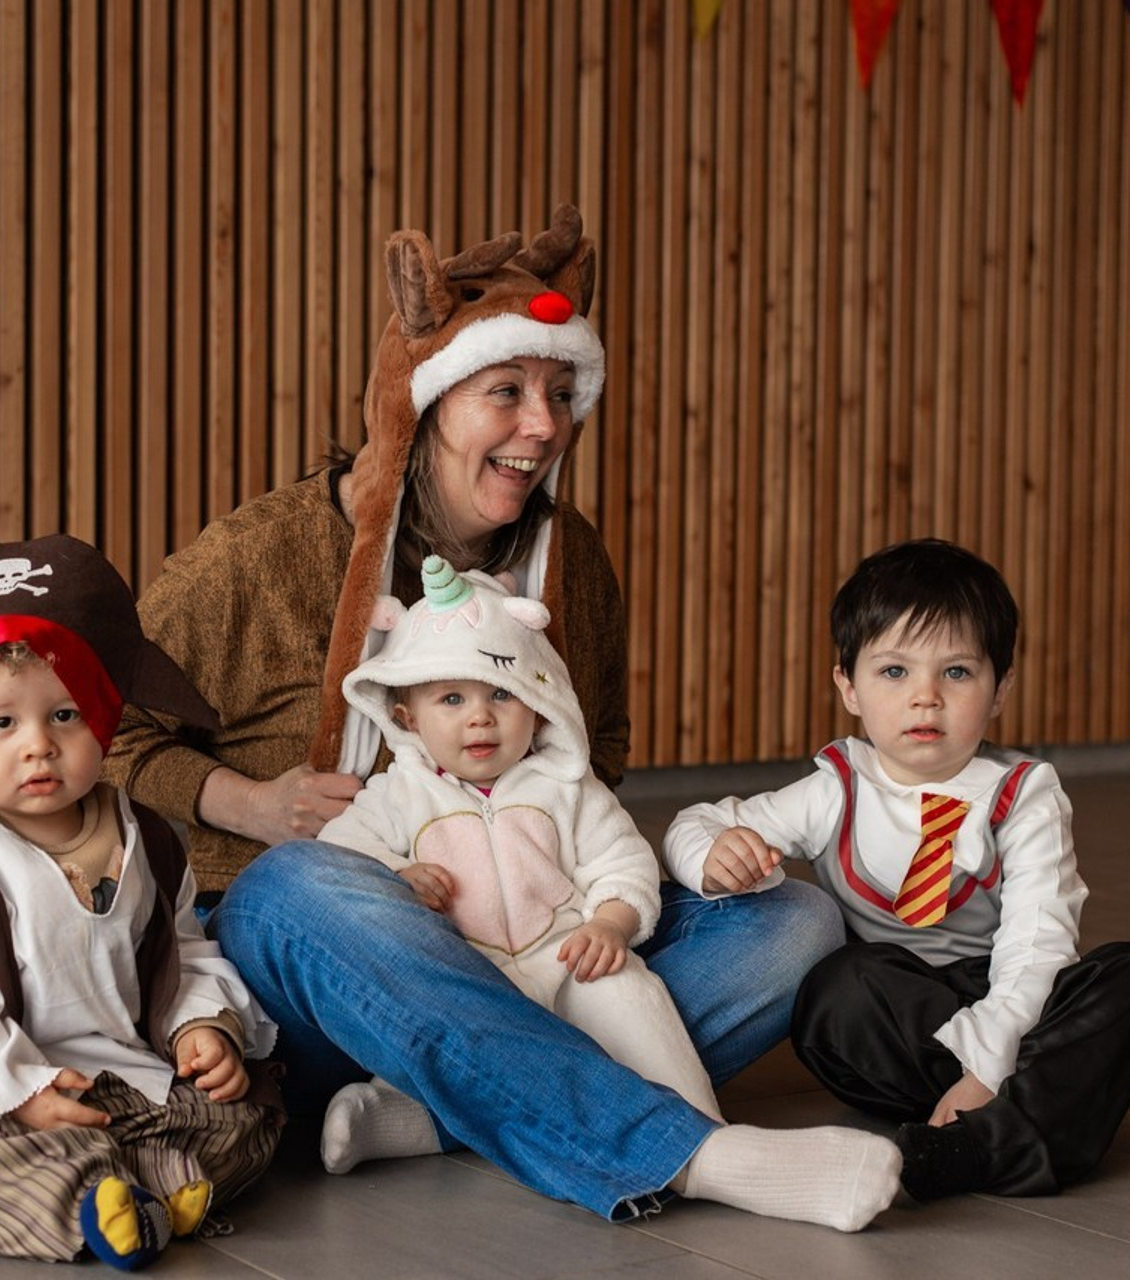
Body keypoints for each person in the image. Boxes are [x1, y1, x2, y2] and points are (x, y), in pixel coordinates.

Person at [107, 205, 898, 1231]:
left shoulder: (574, 563)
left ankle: (444, 1106)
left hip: (537, 932)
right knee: (302, 882)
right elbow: (111, 722)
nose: (544, 425)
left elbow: (598, 747)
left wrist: (567, 877)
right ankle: (690, 1149)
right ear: (428, 400)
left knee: (792, 922)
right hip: (331, 955)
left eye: (561, 394)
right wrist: (246, 802)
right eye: (507, 393)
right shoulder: (254, 557)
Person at [0, 535, 283, 1271]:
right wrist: (20, 1089)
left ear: (108, 720)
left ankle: (129, 1182)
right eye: (0, 723)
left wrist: (198, 1028)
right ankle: (91, 1196)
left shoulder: (148, 839)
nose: (38, 748)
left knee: (247, 1116)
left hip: (115, 1081)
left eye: (64, 716)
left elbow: (181, 952)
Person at [663, 538, 1130, 1201]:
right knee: (836, 989)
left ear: (1001, 690)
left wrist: (989, 1063)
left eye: (959, 673)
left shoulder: (1025, 792)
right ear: (847, 686)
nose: (926, 699)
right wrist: (711, 857)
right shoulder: (837, 788)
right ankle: (1033, 1114)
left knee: (1121, 979)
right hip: (895, 1020)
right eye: (894, 672)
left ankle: (977, 1145)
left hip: (1012, 1006)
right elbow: (699, 821)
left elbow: (1036, 946)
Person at [316, 554, 722, 1171]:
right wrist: (394, 874)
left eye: (502, 693)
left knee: (634, 995)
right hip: (466, 988)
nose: (480, 716)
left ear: (539, 702)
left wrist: (611, 925)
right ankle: (392, 1121)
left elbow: (623, 859)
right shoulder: (397, 795)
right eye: (451, 698)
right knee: (426, 1048)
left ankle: (701, 1131)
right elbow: (337, 859)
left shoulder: (567, 785)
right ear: (408, 719)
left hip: (566, 965)